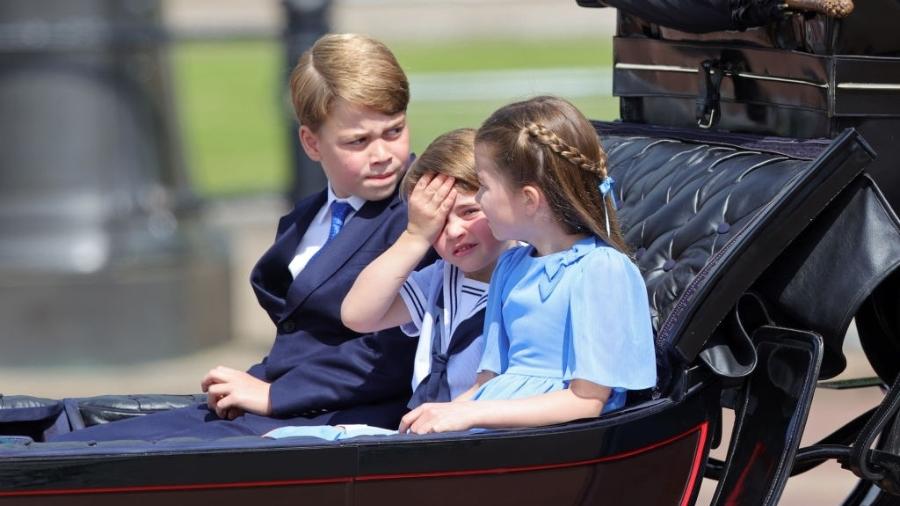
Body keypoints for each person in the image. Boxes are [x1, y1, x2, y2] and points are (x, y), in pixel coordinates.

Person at [50, 33, 425, 442]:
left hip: (340, 422)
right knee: (57, 434)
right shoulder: (307, 217)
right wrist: (253, 385)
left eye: (394, 130)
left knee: (82, 455)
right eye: (358, 141)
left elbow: (397, 350)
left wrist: (276, 394)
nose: (383, 154)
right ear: (311, 143)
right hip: (276, 404)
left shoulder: (419, 213)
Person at [398, 96, 657, 435]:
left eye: (485, 188)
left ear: (529, 200)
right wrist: (443, 413)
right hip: (493, 432)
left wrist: (471, 416)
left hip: (546, 444)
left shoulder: (601, 269)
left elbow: (587, 401)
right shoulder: (510, 266)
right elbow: (486, 383)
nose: (479, 199)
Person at [342, 128, 514, 409]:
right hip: (428, 432)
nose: (455, 230)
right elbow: (357, 315)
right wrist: (415, 236)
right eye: (437, 222)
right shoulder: (440, 278)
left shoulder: (531, 277)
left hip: (486, 434)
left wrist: (454, 415)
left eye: (470, 211)